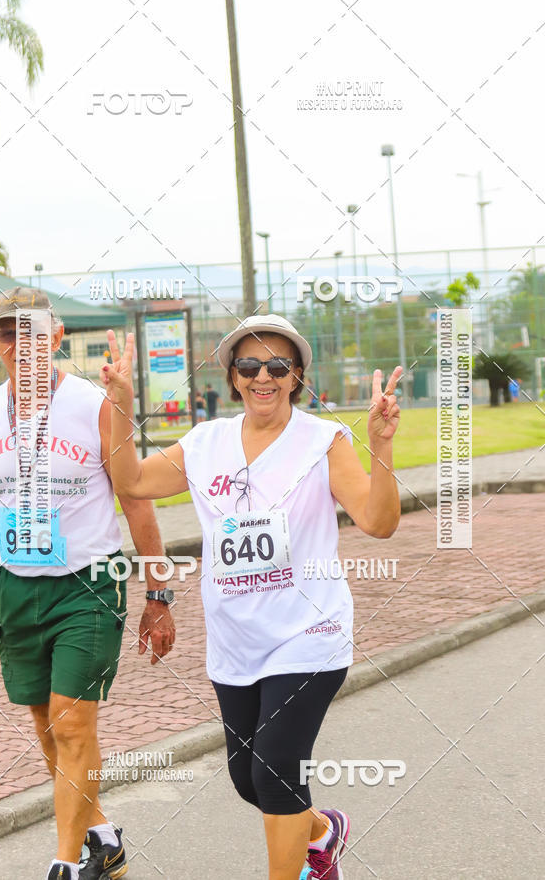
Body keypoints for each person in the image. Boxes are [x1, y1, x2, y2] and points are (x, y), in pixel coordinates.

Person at [101, 314, 402, 880]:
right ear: (233, 376)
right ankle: (323, 832)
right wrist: (120, 402)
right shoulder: (205, 442)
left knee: (273, 770)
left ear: (296, 377)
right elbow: (132, 482)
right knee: (250, 781)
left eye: (278, 366)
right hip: (236, 640)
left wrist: (381, 446)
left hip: (309, 634)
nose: (263, 376)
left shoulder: (323, 441)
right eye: (249, 365)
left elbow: (379, 522)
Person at [0, 287, 174, 880]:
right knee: (48, 725)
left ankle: (66, 865)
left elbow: (138, 501)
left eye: (36, 332)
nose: (23, 344)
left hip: (90, 585)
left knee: (74, 724)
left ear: (57, 337)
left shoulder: (96, 407)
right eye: (9, 333)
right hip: (17, 585)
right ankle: (103, 837)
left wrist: (159, 594)